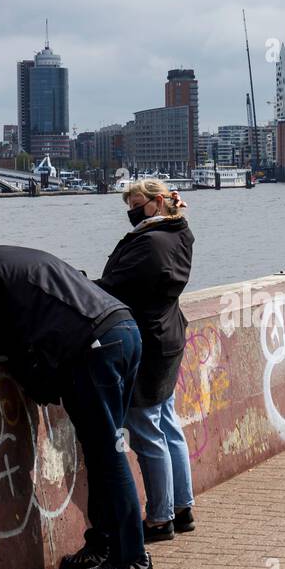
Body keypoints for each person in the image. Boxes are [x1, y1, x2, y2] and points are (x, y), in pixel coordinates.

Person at [0, 228, 153, 569]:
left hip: (93, 348)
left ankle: (132, 559)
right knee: (100, 451)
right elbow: (6, 335)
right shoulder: (12, 256)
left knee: (107, 453)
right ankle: (103, 544)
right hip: (122, 331)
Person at [95, 179, 196, 543]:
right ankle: (182, 508)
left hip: (148, 341)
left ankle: (159, 518)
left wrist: (74, 285)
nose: (131, 210)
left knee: (147, 429)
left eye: (137, 203)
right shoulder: (178, 233)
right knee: (167, 423)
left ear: (155, 203)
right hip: (170, 335)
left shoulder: (151, 242)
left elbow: (112, 286)